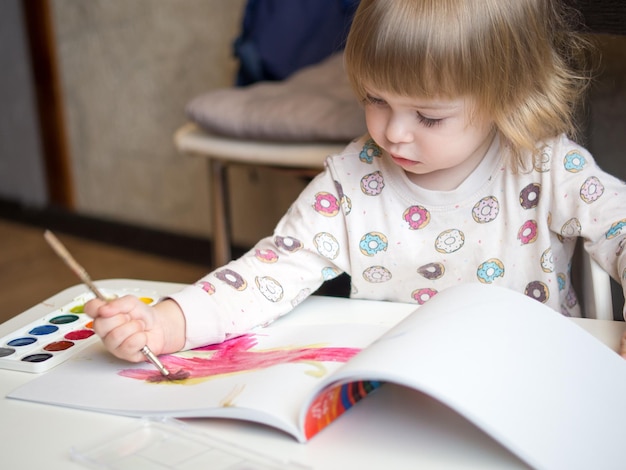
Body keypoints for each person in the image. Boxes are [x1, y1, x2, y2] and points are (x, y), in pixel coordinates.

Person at [86, 0, 626, 361]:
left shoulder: (547, 167)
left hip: (530, 378)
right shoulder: (352, 180)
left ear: (510, 95)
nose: (392, 132)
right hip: (398, 392)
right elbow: (266, 275)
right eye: (375, 99)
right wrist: (167, 324)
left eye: (429, 117)